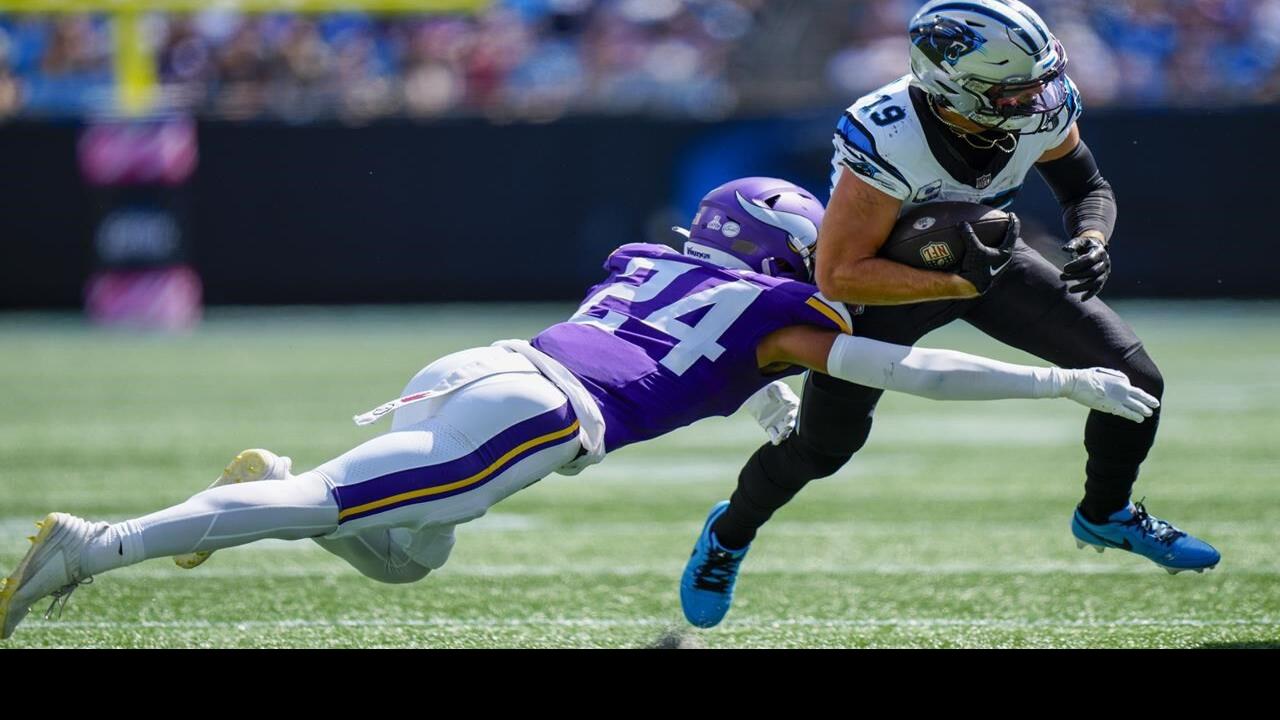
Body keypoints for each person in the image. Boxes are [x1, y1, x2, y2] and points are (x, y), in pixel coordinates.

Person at [0, 177, 1156, 641]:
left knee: (406, 558)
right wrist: (1055, 379)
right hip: (542, 418)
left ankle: (259, 489)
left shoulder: (643, 259)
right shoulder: (777, 315)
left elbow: (682, 349)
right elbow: (906, 372)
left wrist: (756, 399)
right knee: (322, 508)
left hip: (488, 370)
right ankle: (93, 549)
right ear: (776, 248)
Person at [680, 0, 1219, 630]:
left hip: (987, 260)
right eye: (1017, 92)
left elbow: (1086, 189)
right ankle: (729, 535)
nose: (1040, 100)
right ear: (953, 88)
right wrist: (954, 279)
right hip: (884, 282)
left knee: (1135, 379)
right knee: (822, 448)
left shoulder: (1036, 102)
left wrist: (1092, 238)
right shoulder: (890, 135)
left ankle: (1108, 512)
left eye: (1040, 82)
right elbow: (840, 273)